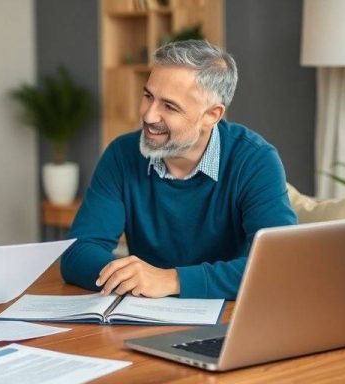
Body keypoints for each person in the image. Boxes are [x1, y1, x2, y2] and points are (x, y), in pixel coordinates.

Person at [60, 40, 297, 299]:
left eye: (169, 106)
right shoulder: (122, 154)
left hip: (229, 315)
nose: (149, 115)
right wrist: (131, 277)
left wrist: (172, 280)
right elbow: (78, 253)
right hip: (143, 312)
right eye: (148, 96)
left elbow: (279, 264)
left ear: (212, 115)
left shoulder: (254, 160)